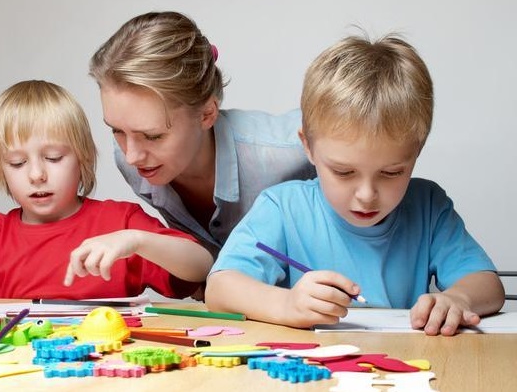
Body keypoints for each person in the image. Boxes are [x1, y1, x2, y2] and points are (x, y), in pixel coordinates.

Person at [205, 33, 505, 336]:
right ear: (307, 146)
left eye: (390, 173)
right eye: (344, 172)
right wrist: (286, 305)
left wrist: (457, 298)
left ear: (417, 151)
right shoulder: (282, 208)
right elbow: (219, 289)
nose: (366, 196)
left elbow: (488, 284)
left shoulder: (428, 206)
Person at [0, 80, 212, 301]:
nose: (37, 175)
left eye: (53, 158)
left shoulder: (120, 223)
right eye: (17, 163)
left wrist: (136, 240)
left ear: (83, 158)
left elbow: (201, 265)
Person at [89, 11, 317, 260]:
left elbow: (360, 122)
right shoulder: (132, 162)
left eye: (152, 136)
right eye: (117, 131)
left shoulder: (287, 151)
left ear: (207, 113)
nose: (131, 156)